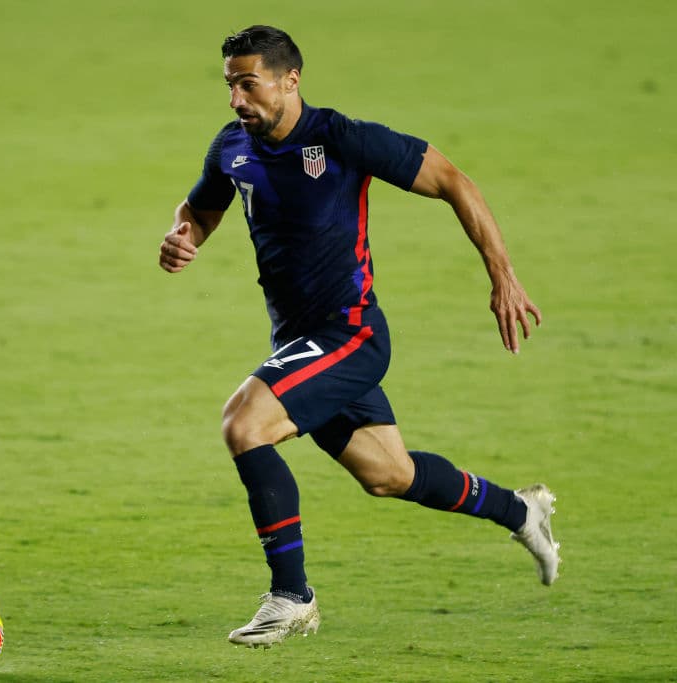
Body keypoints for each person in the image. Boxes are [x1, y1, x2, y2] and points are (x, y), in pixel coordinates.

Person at [157, 25, 560, 648]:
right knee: (388, 474)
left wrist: (502, 277)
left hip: (350, 332)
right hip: (298, 341)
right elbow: (202, 208)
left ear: (290, 80)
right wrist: (183, 236)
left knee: (245, 424)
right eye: (230, 85)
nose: (236, 99)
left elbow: (455, 180)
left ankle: (292, 597)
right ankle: (521, 510)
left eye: (248, 84)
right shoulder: (231, 146)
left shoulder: (340, 138)